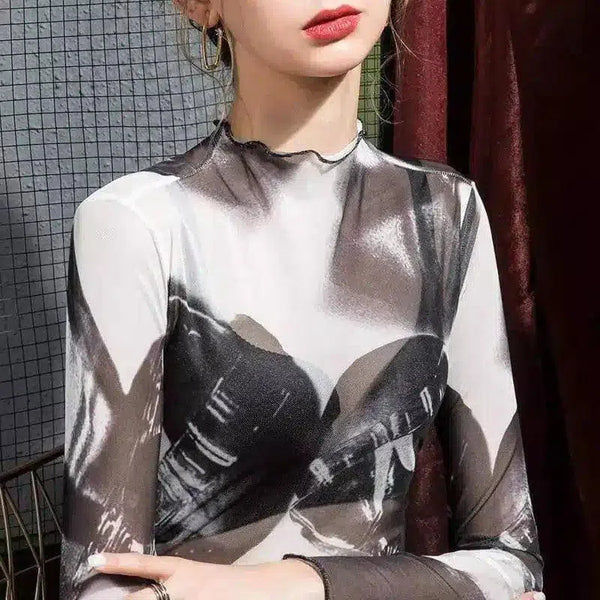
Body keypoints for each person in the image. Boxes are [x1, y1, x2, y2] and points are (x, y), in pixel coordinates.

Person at [58, 0, 545, 598]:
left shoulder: (445, 213)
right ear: (199, 5)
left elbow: (515, 562)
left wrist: (288, 585)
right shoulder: (137, 225)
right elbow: (99, 588)